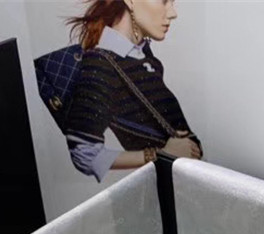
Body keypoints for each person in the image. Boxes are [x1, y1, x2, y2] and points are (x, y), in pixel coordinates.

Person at [65, 0, 202, 182]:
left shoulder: (142, 58)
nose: (172, 13)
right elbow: (84, 153)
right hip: (165, 190)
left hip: (187, 184)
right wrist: (159, 154)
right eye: (163, 1)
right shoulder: (101, 64)